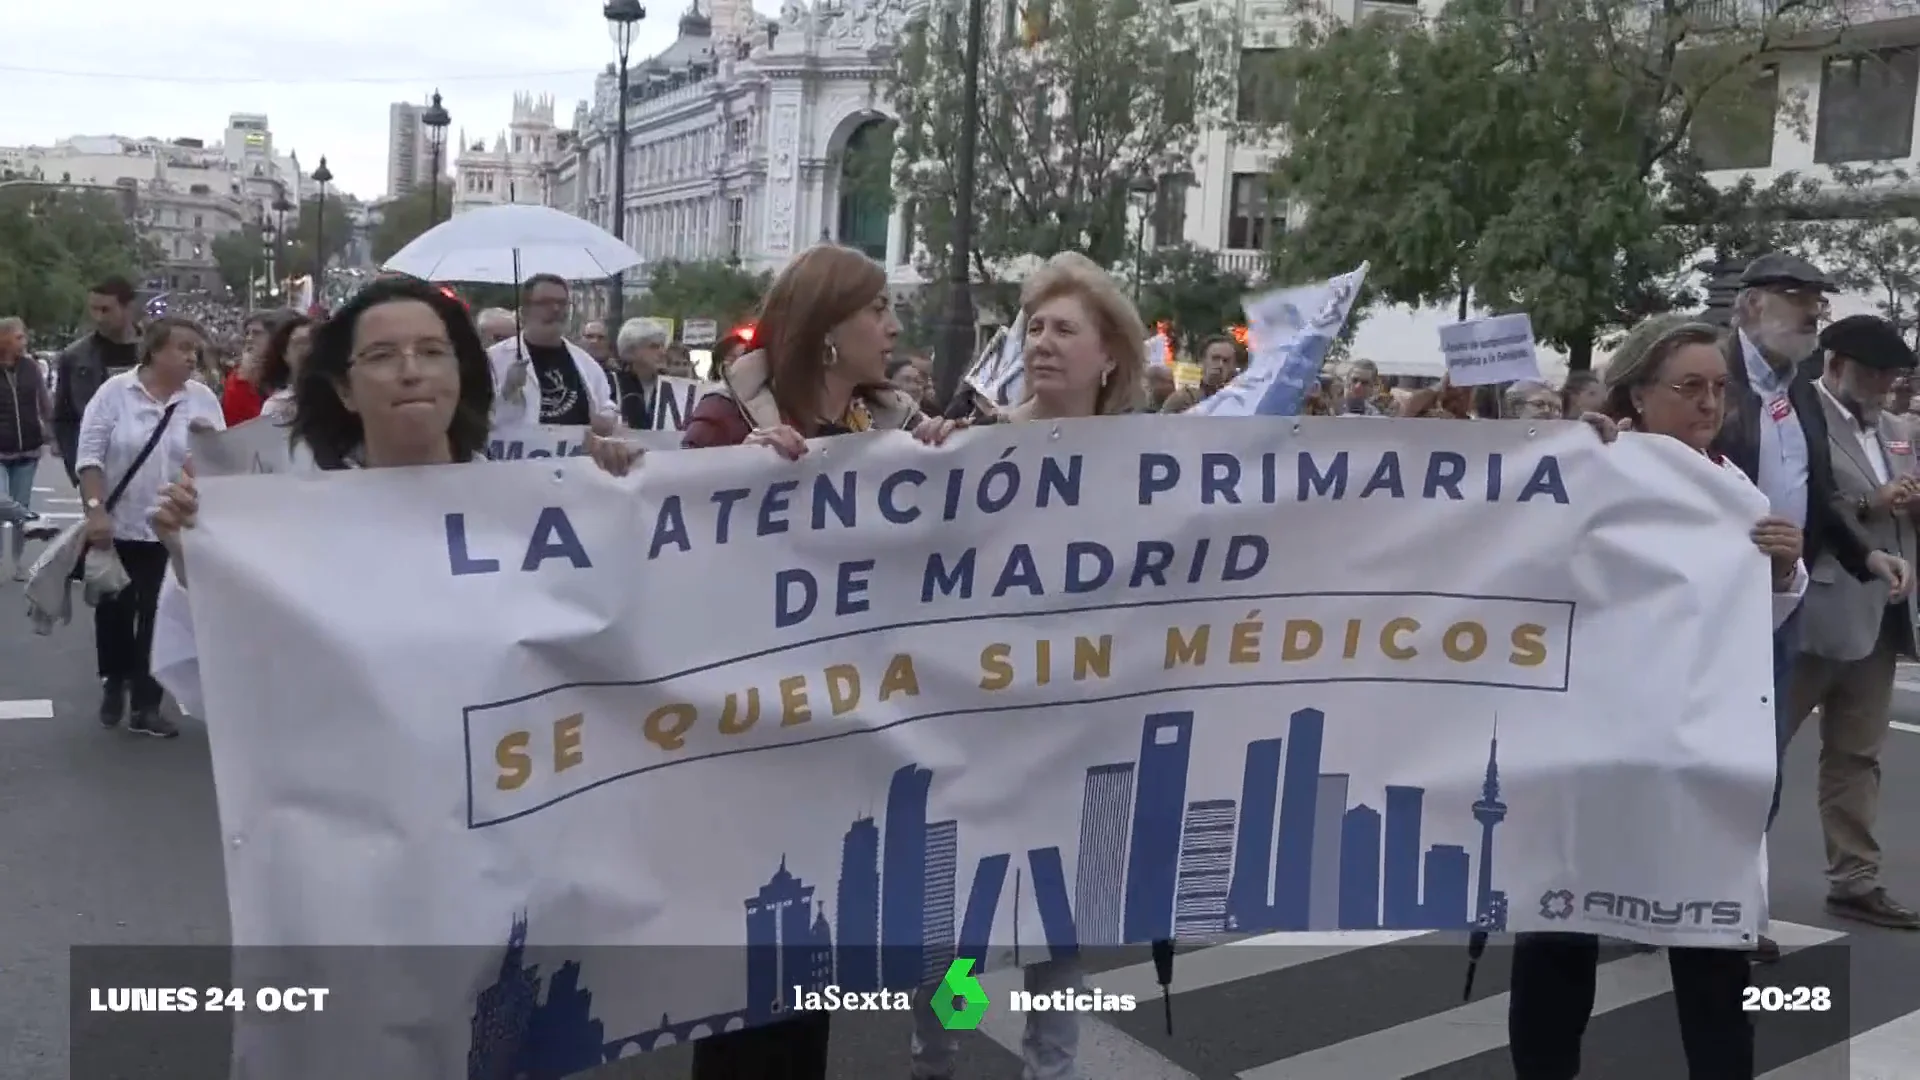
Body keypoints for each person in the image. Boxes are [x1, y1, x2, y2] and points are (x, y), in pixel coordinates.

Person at [1507, 314, 1810, 1080]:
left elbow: (1748, 622)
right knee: (1559, 936)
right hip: (1585, 751)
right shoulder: (1590, 464)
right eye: (1688, 387)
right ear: (1638, 395)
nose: (1710, 405)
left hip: (1692, 758)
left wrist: (1780, 570)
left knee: (1711, 953)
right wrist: (1576, 454)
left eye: (1719, 389)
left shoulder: (1729, 485)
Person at [149, 278, 638, 718]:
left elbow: (605, 651)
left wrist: (618, 495)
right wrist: (194, 561)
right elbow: (230, 673)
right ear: (345, 389)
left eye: (431, 351)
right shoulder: (287, 518)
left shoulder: (530, 509)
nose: (411, 371)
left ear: (461, 374)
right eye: (382, 355)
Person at [680, 244, 930, 1080]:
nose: (893, 326)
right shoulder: (725, 423)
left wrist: (943, 463)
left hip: (842, 746)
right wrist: (730, 483)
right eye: (876, 310)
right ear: (828, 332)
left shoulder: (883, 429)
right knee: (747, 997)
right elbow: (668, 563)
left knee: (810, 977)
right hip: (748, 747)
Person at [904, 249, 1145, 1080]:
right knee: (958, 930)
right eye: (1034, 326)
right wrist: (926, 459)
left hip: (1082, 737)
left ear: (1109, 354)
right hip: (977, 732)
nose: (1043, 342)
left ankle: (1053, 1068)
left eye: (1065, 329)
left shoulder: (1153, 466)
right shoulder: (969, 447)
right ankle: (934, 1058)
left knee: (1059, 934)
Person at [1715, 254, 1906, 963]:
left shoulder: (1792, 391)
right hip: (1711, 605)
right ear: (1750, 306)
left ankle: (1734, 906)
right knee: (1712, 761)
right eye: (1797, 299)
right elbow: (1655, 453)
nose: (1811, 313)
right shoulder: (1711, 374)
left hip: (1782, 603)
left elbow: (1815, 491)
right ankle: (1667, 888)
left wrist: (1866, 555)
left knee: (1757, 763)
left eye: (1817, 302)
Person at [1782, 314, 1920, 930]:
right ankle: (1722, 883)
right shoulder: (1796, 415)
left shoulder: (1897, 430)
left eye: (1892, 376)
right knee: (1762, 751)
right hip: (1814, 609)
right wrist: (1872, 502)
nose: (1884, 387)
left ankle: (1855, 878)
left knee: (1857, 754)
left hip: (1882, 613)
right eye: (1872, 374)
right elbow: (1805, 503)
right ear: (1834, 365)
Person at [75, 315, 226, 738]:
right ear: (155, 351)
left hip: (170, 528)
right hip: (119, 524)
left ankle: (146, 704)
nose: (191, 357)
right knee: (115, 610)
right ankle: (114, 680)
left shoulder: (200, 400)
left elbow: (219, 465)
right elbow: (90, 456)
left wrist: (204, 452)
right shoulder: (115, 393)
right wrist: (95, 510)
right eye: (182, 348)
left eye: (195, 350)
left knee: (158, 616)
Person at [487, 276, 615, 430]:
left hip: (577, 453)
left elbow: (606, 406)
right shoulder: (494, 360)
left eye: (562, 303)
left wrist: (607, 420)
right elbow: (479, 421)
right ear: (523, 312)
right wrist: (507, 393)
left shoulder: (586, 363)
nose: (555, 309)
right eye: (544, 303)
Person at [54, 276, 142, 484]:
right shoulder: (74, 357)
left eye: (106, 310)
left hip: (152, 467)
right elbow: (64, 418)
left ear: (128, 308)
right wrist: (80, 470)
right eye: (94, 310)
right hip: (100, 470)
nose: (99, 317)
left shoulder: (156, 351)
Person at [0, 316, 53, 579]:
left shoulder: (31, 368)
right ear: (3, 339)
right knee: (2, 502)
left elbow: (44, 402)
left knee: (20, 505)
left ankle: (17, 563)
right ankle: (35, 520)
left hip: (28, 448)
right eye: (19, 337)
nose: (24, 341)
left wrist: (52, 435)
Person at [221, 310, 284, 426]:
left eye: (257, 333)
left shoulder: (289, 372)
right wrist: (246, 380)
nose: (249, 338)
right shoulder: (239, 378)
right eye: (247, 333)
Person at [609, 318, 669, 430]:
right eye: (654, 346)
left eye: (663, 346)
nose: (663, 352)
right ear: (631, 351)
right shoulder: (610, 384)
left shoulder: (674, 387)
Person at [256, 314, 316, 423]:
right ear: (285, 354)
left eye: (313, 341)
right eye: (300, 343)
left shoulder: (340, 398)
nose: (308, 349)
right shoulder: (275, 407)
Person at [1161, 335, 1238, 413]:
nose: (1220, 364)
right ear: (1201, 361)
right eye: (1215, 358)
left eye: (1226, 360)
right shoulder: (1182, 399)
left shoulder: (1236, 403)